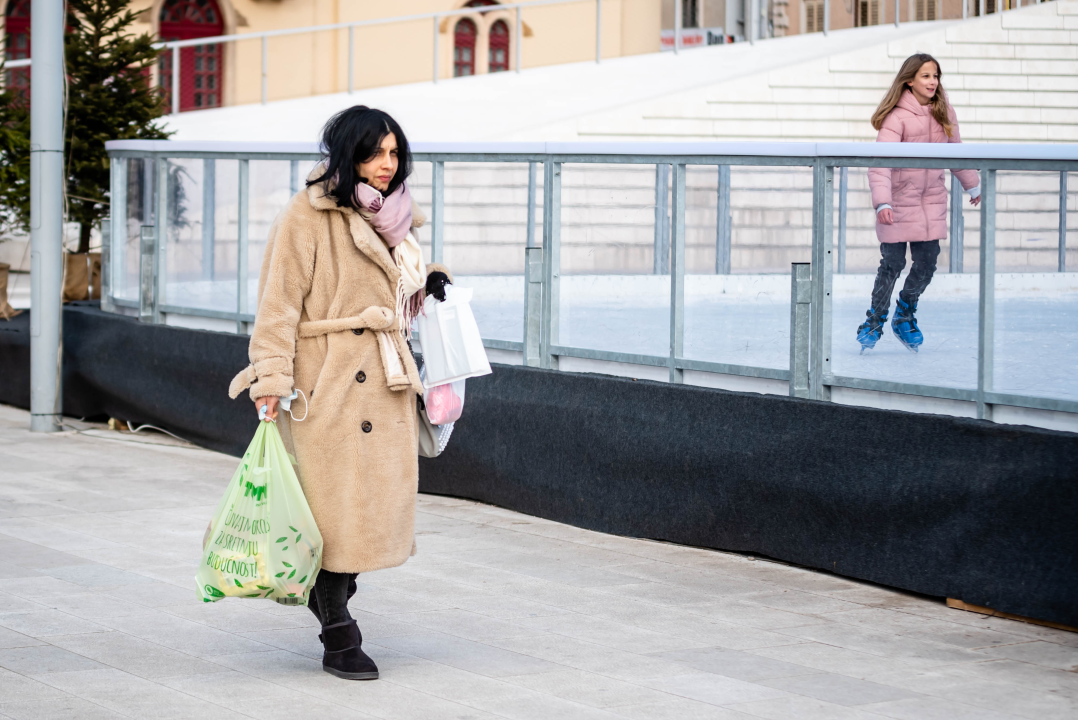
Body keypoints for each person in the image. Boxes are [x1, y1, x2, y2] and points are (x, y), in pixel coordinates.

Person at [228, 106, 450, 680]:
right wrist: (271, 380)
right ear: (347, 153)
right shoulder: (307, 215)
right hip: (325, 386)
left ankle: (331, 598)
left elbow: (398, 287)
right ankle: (338, 633)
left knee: (368, 515)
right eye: (374, 152)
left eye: (395, 153)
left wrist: (431, 282)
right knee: (331, 516)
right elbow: (277, 308)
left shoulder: (399, 218)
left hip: (385, 383)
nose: (386, 164)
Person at [858, 53, 981, 353]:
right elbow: (880, 165)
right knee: (893, 264)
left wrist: (972, 183)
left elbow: (957, 153)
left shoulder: (944, 113)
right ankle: (874, 320)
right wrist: (882, 203)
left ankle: (904, 313)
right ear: (910, 80)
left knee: (927, 264)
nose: (932, 81)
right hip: (898, 205)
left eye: (935, 76)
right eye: (926, 76)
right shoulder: (896, 117)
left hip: (931, 204)